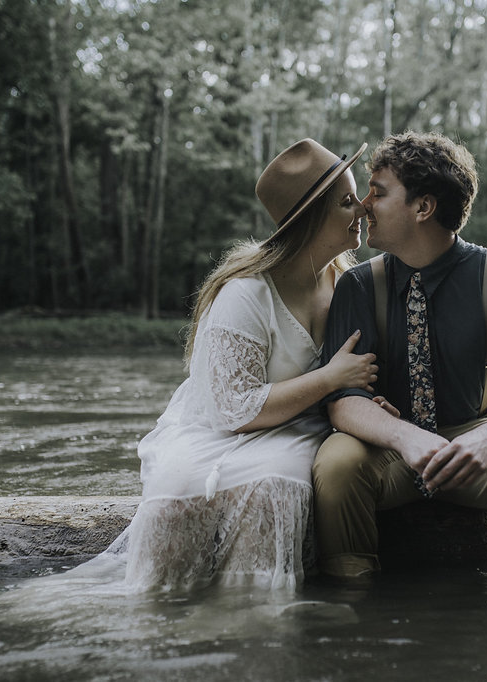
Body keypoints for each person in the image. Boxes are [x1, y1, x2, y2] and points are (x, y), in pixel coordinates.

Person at [107, 138, 389, 592]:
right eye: (345, 201)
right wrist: (330, 377)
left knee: (274, 483)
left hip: (300, 427)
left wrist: (365, 396)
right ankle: (159, 610)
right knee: (181, 484)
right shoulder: (247, 293)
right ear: (311, 217)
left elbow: (360, 373)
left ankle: (252, 617)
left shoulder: (347, 284)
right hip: (221, 426)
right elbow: (234, 411)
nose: (361, 209)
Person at [312, 131, 487, 580]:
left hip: (476, 440)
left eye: (379, 192)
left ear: (423, 207)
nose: (364, 204)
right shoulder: (356, 286)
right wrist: (406, 438)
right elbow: (343, 398)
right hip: (388, 447)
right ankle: (348, 594)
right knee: (335, 460)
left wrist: (485, 440)